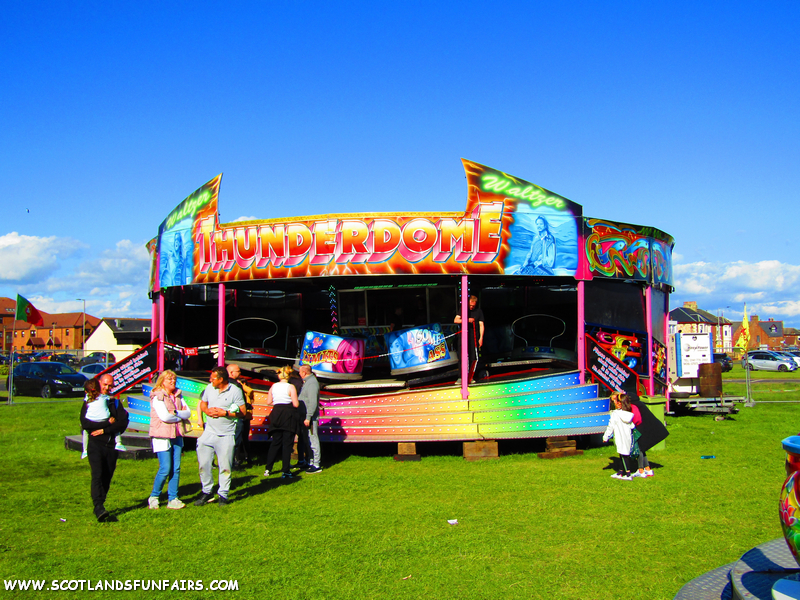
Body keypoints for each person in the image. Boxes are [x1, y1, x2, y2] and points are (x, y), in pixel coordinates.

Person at [79, 374, 129, 522]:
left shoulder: (114, 403)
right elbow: (85, 424)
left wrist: (106, 430)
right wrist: (106, 424)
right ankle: (98, 506)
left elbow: (123, 423)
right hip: (95, 444)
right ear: (99, 383)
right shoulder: (89, 401)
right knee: (97, 474)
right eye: (105, 384)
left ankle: (101, 502)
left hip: (111, 445)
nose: (107, 388)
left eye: (110, 385)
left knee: (107, 475)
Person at [194, 366, 245, 506]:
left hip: (226, 434)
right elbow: (203, 403)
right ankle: (207, 491)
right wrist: (207, 411)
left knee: (225, 466)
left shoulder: (235, 391)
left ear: (221, 379)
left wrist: (226, 413)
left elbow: (243, 412)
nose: (210, 380)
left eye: (213, 378)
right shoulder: (209, 388)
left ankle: (223, 494)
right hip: (209, 432)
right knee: (203, 464)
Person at [147, 370, 191, 510]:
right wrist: (180, 416)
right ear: (162, 381)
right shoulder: (158, 396)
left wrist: (176, 413)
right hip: (162, 436)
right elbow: (164, 417)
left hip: (177, 434)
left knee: (176, 468)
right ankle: (154, 496)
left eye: (174, 379)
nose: (172, 382)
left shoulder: (178, 394)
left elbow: (188, 412)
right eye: (169, 379)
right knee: (165, 468)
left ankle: (173, 498)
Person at [263, 365, 300, 479]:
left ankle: (268, 468)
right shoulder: (291, 387)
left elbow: (269, 401)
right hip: (287, 414)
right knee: (287, 444)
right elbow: (296, 404)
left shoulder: (273, 386)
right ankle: (285, 470)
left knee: (275, 442)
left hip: (276, 413)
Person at [630, 393, 669, 478]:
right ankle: (647, 469)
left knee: (639, 448)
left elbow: (636, 419)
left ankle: (641, 470)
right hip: (649, 427)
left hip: (642, 428)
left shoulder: (634, 406)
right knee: (642, 448)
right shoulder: (640, 404)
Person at [603, 391, 636, 481]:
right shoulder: (628, 413)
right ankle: (621, 472)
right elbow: (632, 426)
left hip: (619, 436)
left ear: (619, 404)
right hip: (627, 436)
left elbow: (611, 426)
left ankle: (628, 474)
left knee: (623, 455)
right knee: (624, 454)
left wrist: (605, 437)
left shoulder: (615, 414)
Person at [226, 363, 254, 468]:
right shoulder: (236, 385)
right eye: (238, 371)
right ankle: (232, 464)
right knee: (235, 441)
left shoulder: (225, 383)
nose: (240, 373)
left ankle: (229, 462)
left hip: (228, 415)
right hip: (237, 415)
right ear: (231, 372)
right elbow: (241, 399)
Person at [297, 364, 322, 473]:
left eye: (299, 372)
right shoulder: (307, 382)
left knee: (313, 439)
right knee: (308, 439)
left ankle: (316, 464)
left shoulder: (312, 384)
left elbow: (312, 403)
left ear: (304, 372)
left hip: (310, 417)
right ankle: (311, 461)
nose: (299, 374)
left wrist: (308, 417)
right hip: (305, 416)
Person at [454, 295, 484, 379]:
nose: (471, 307)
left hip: (474, 337)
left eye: (473, 306)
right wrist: (467, 320)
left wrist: (481, 338)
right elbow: (456, 320)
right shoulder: (463, 310)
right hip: (463, 336)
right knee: (462, 356)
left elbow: (481, 325)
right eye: (470, 305)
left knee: (473, 357)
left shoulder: (479, 311)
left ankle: (472, 376)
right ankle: (461, 377)